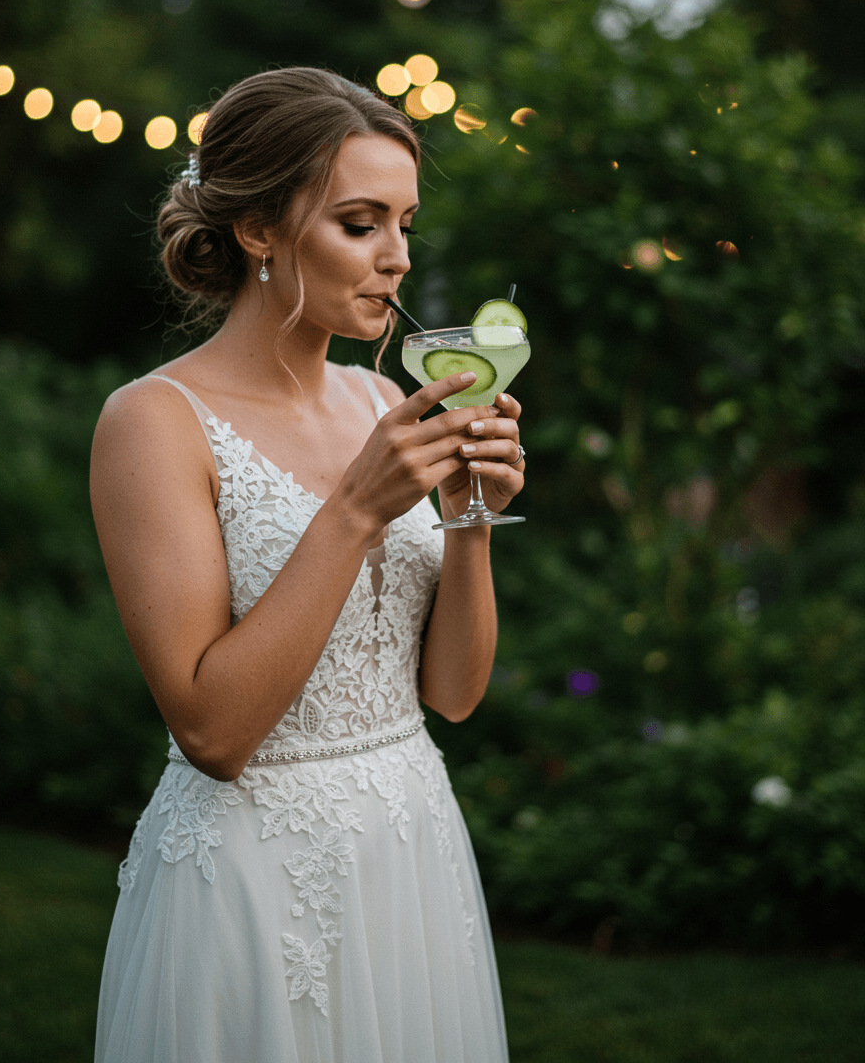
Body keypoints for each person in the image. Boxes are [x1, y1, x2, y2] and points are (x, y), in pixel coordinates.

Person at [90, 67, 525, 1062]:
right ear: (260, 231)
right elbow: (211, 727)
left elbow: (451, 694)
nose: (395, 259)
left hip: (409, 848)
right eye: (360, 223)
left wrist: (468, 515)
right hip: (250, 873)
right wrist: (355, 509)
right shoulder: (154, 423)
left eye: (405, 225)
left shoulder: (380, 404)